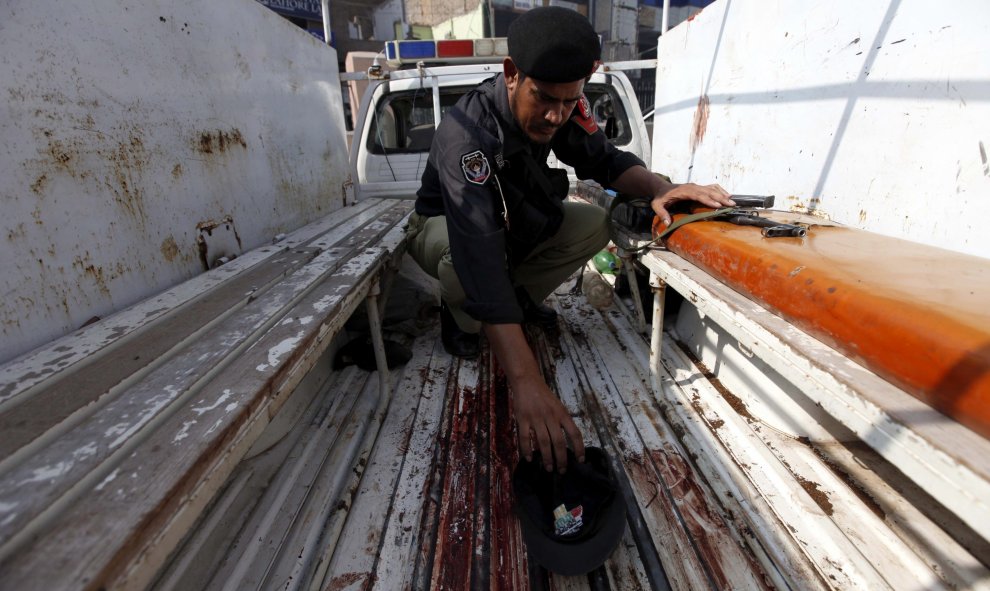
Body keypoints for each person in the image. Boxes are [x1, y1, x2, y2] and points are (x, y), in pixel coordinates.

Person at [407, 6, 733, 474]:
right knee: (468, 269)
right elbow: (478, 251)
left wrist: (661, 188)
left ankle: (513, 303)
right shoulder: (468, 137)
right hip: (444, 228)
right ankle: (459, 316)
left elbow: (603, 160)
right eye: (543, 99)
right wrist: (525, 380)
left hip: (506, 221)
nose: (556, 115)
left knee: (593, 225)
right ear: (512, 74)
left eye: (569, 100)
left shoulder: (562, 106)